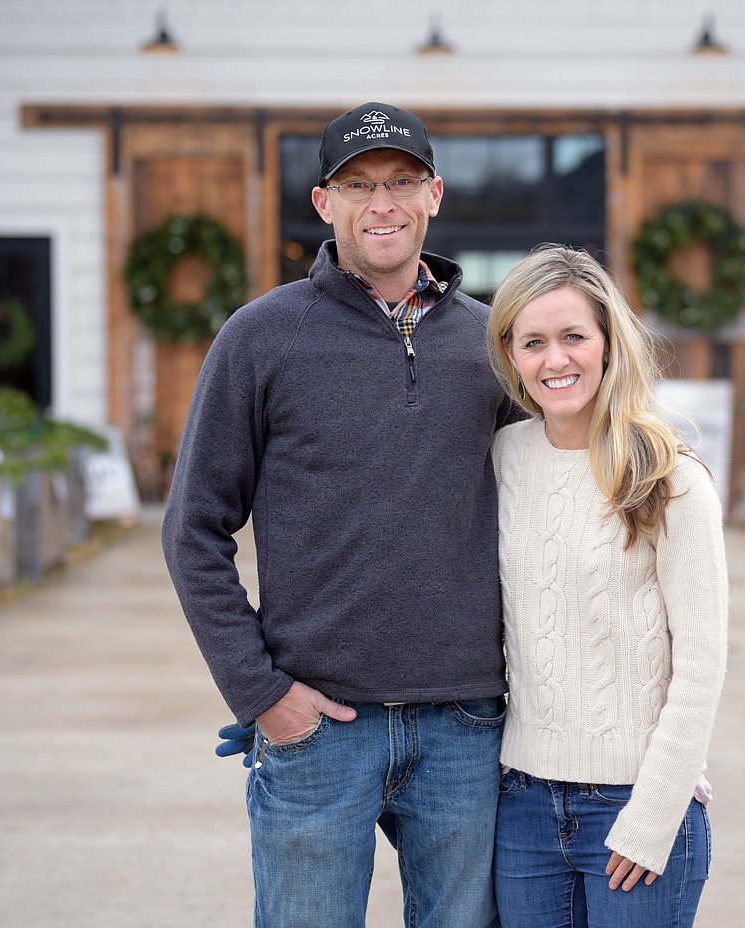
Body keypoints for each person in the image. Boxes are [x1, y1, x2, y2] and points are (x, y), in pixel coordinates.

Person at [161, 102, 517, 928]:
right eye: (357, 185)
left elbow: (555, 508)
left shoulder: (493, 342)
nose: (380, 203)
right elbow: (193, 530)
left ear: (435, 193)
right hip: (319, 725)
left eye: (399, 181)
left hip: (467, 723)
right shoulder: (261, 337)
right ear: (324, 203)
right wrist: (261, 694)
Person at [484, 245, 728, 928]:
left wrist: (657, 808)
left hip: (635, 805)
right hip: (522, 808)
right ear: (511, 356)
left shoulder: (670, 478)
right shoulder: (504, 458)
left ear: (608, 343)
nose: (555, 360)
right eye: (533, 342)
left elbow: (701, 665)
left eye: (573, 337)